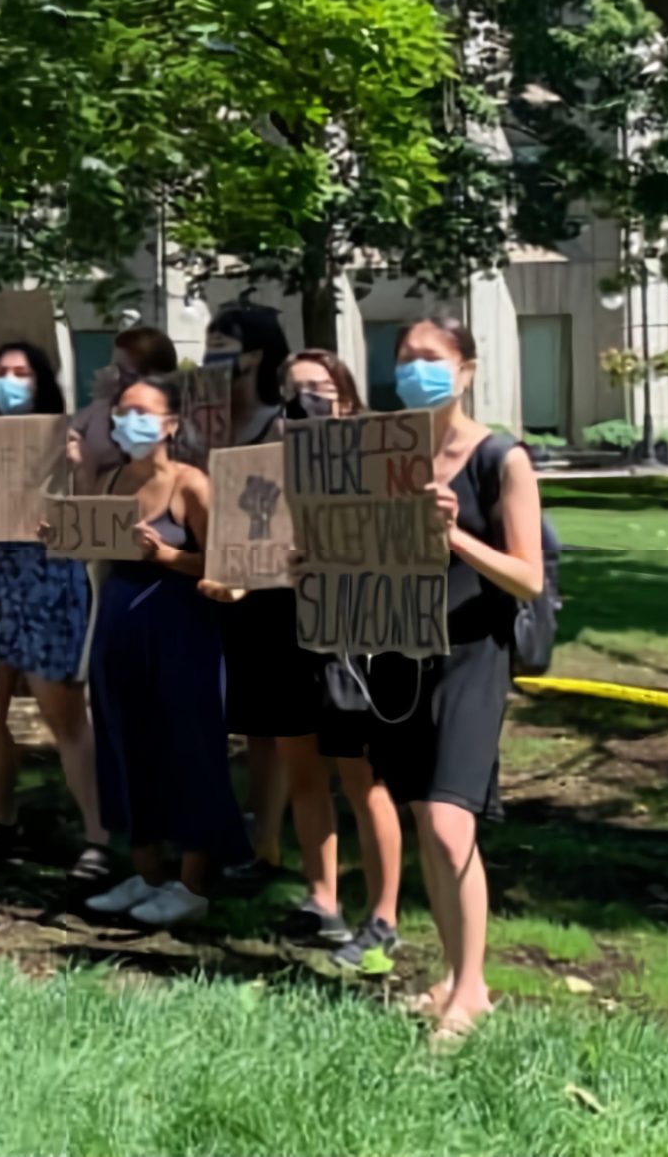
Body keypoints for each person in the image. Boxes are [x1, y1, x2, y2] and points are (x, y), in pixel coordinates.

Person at [367, 316, 544, 1041]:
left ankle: (471, 992)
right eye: (405, 358)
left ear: (465, 370)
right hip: (399, 652)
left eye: (430, 359)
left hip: (473, 650)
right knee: (421, 816)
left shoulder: (501, 458)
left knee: (448, 821)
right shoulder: (379, 457)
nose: (415, 371)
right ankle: (449, 972)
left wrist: (458, 537)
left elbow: (527, 577)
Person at [78, 376, 249, 927]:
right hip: (119, 630)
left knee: (190, 747)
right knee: (125, 748)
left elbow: (228, 560)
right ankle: (146, 872)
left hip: (182, 631)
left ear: (171, 424)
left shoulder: (190, 485)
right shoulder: (108, 482)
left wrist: (166, 559)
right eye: (123, 411)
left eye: (144, 412)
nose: (131, 421)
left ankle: (193, 882)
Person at [269, 351, 405, 972]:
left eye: (321, 390)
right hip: (286, 631)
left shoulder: (379, 463)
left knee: (363, 781)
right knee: (303, 771)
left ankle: (384, 916)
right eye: (296, 392)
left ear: (347, 398)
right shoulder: (267, 468)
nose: (309, 402)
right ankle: (322, 897)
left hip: (352, 638)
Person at [0, 340, 105, 876]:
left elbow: (89, 519)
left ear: (41, 382)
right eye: (0, 372)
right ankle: (2, 821)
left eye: (21, 373)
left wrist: (78, 468)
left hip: (48, 584)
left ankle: (97, 834)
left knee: (62, 715)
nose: (9, 381)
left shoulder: (65, 440)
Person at [200, 305, 299, 881]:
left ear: (256, 354)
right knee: (223, 715)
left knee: (267, 724)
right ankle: (225, 823)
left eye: (223, 342)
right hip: (206, 582)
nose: (212, 351)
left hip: (267, 593)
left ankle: (267, 837)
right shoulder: (204, 422)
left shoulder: (279, 422)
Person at [68, 326, 180, 491]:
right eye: (114, 368)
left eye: (125, 372)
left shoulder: (168, 417)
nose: (115, 377)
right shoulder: (102, 407)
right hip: (99, 501)